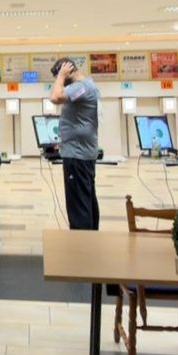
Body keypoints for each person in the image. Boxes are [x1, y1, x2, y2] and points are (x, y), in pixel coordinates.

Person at [49, 58, 100, 230]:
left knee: (79, 207)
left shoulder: (81, 87)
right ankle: (90, 242)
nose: (59, 81)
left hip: (77, 155)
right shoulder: (85, 86)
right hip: (80, 153)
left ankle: (81, 248)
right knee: (86, 201)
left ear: (68, 69)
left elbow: (55, 97)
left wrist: (61, 76)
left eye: (59, 75)